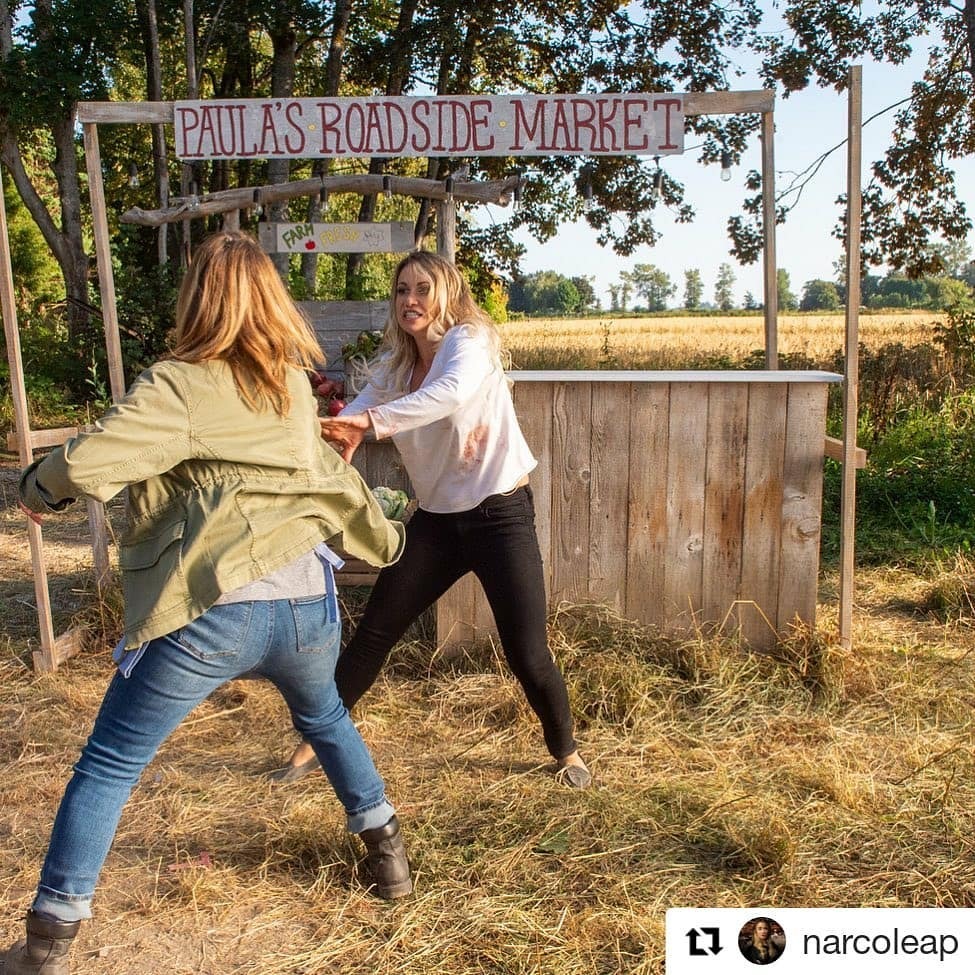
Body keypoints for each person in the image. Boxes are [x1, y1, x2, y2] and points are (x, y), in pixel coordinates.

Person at [4, 232, 412, 975]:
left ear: (199, 297)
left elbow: (95, 457)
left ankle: (46, 944)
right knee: (323, 715)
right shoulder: (289, 384)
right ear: (272, 302)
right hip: (305, 601)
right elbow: (324, 473)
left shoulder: (180, 383)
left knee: (109, 763)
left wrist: (33, 488)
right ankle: (387, 850)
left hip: (214, 608)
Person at [272, 249, 591, 789]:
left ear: (446, 295)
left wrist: (368, 424)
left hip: (500, 515)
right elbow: (356, 414)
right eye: (401, 291)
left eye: (422, 289)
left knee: (526, 651)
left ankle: (567, 752)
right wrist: (315, 431)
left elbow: (448, 396)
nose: (410, 300)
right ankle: (312, 744)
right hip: (438, 523)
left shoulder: (471, 342)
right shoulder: (397, 366)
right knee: (374, 633)